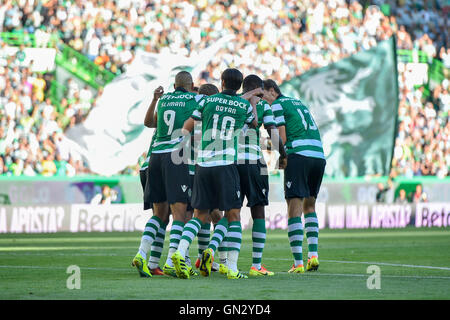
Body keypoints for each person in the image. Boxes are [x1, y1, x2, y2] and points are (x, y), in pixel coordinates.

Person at [170, 68, 260, 280]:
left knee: (200, 214)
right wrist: (252, 103)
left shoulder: (206, 101)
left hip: (202, 164)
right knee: (234, 214)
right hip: (226, 164)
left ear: (221, 82)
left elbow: (187, 127)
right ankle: (233, 267)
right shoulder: (243, 105)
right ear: (239, 86)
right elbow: (253, 125)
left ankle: (180, 252)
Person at [131, 71, 200, 278]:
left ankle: (142, 254)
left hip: (155, 158)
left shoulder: (164, 99)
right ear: (191, 85)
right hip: (176, 157)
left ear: (174, 84)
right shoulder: (195, 98)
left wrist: (154, 99)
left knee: (159, 214)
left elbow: (150, 123)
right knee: (180, 213)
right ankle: (171, 260)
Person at [262, 79, 325, 273]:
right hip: (318, 155)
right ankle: (313, 255)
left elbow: (282, 139)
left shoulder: (277, 105)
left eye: (263, 96)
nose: (263, 101)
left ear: (272, 91)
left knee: (294, 207)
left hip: (298, 154)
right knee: (310, 206)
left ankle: (298, 263)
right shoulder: (298, 102)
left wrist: (264, 145)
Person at [231, 74, 286, 277]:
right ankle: (256, 265)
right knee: (259, 211)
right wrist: (283, 155)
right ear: (260, 89)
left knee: (231, 212)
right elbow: (272, 132)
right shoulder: (263, 106)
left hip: (231, 161)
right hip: (255, 161)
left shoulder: (233, 103)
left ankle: (226, 263)